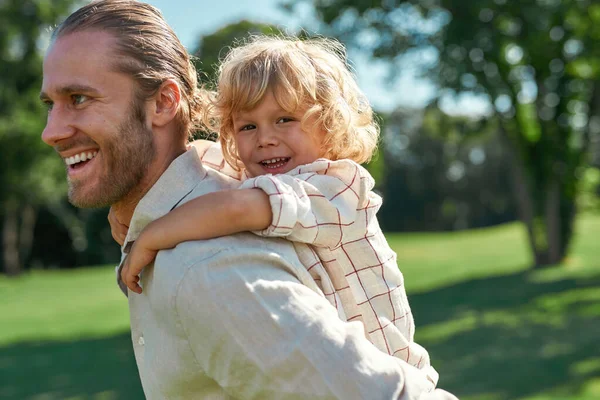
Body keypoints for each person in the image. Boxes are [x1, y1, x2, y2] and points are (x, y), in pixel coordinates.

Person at [40, 0, 458, 398]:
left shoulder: (211, 266)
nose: (50, 131)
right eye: (247, 127)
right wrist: (137, 217)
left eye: (79, 98)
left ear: (165, 102)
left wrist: (150, 234)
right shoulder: (242, 184)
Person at [112, 35, 436, 383]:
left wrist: (152, 236)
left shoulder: (335, 186)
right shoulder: (264, 176)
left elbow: (236, 208)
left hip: (391, 376)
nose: (265, 138)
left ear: (329, 124)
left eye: (284, 120)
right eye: (248, 126)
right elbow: (205, 159)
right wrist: (127, 207)